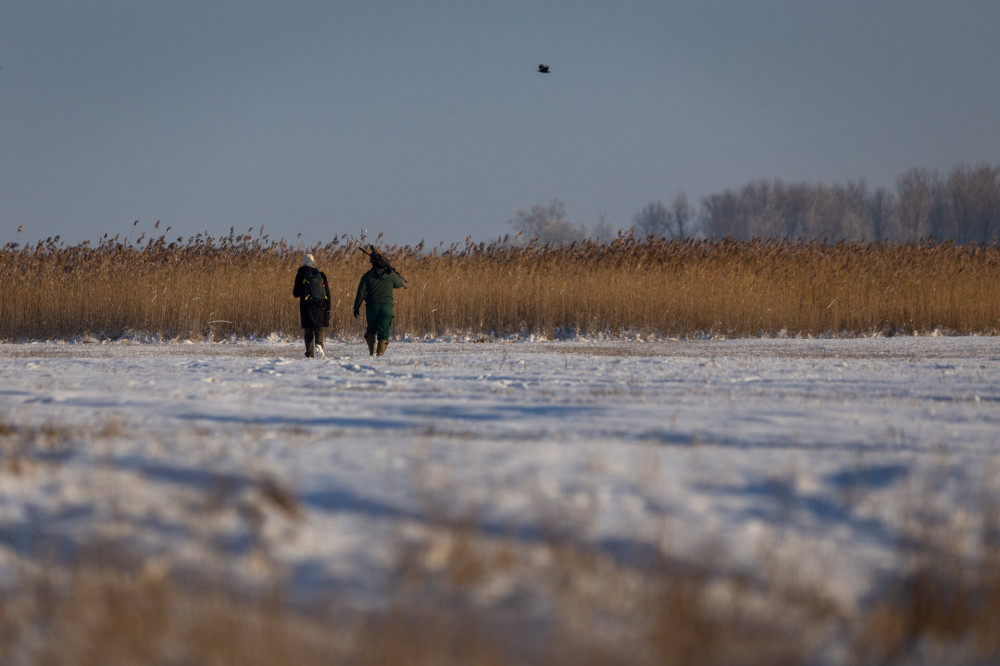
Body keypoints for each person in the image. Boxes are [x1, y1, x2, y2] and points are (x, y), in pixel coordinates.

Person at [353, 249, 405, 356]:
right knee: (383, 331)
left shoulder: (367, 276)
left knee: (371, 329)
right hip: (386, 308)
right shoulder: (390, 275)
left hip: (372, 308)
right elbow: (399, 283)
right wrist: (392, 271)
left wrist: (356, 307)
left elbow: (361, 293)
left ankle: (372, 352)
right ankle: (380, 354)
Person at [292, 252, 331, 358]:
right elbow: (327, 293)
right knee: (319, 328)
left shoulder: (301, 274)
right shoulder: (321, 275)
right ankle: (319, 345)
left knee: (308, 330)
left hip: (306, 307)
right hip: (320, 306)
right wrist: (328, 309)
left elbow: (295, 293)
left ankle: (309, 354)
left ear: (303, 262)